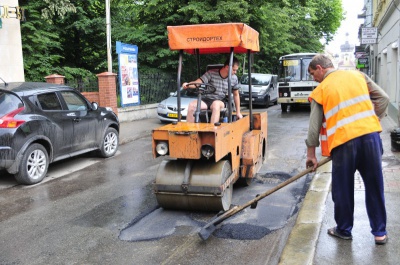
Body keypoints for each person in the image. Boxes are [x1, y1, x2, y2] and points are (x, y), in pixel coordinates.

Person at [305, 54, 390, 245]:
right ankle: (380, 233)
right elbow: (383, 98)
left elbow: (313, 127)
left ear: (320, 68)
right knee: (375, 186)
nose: (313, 78)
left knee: (342, 189)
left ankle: (344, 230)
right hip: (371, 138)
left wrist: (311, 154)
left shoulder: (322, 89)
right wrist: (372, 121)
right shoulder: (358, 76)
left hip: (344, 143)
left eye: (312, 74)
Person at [182, 57, 243, 123]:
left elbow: (236, 95)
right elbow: (197, 83)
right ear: (227, 67)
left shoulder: (234, 78)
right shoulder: (211, 73)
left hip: (220, 100)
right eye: (234, 70)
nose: (235, 72)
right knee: (192, 105)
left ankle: (212, 131)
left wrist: (238, 112)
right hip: (206, 100)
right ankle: (191, 131)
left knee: (216, 104)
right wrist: (188, 84)